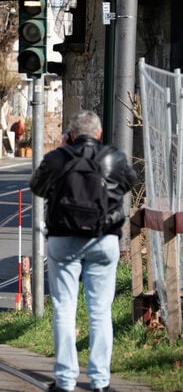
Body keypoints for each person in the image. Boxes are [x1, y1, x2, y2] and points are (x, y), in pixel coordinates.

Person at [29, 110, 136, 392]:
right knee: (100, 311)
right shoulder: (114, 157)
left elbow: (37, 187)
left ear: (71, 134)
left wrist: (63, 152)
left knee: (64, 308)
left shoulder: (58, 158)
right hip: (103, 239)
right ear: (99, 134)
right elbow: (130, 181)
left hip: (63, 240)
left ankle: (65, 381)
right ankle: (100, 382)